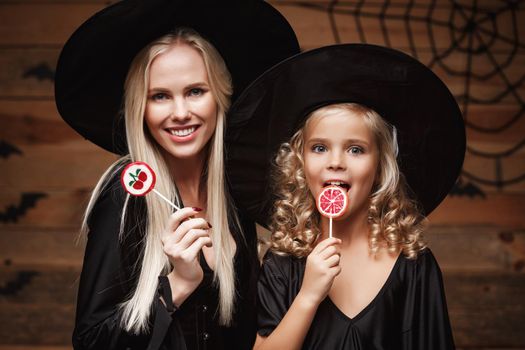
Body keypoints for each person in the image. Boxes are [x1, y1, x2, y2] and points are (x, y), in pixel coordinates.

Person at [54, 0, 299, 349]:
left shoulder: (232, 191)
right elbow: (91, 341)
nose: (180, 112)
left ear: (221, 98)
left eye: (196, 91)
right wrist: (177, 286)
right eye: (160, 96)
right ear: (141, 108)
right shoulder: (127, 194)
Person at [225, 44, 465, 349]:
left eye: (355, 149)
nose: (336, 162)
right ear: (300, 164)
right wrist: (309, 295)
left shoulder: (413, 265)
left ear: (379, 167)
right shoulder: (283, 262)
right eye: (320, 148)